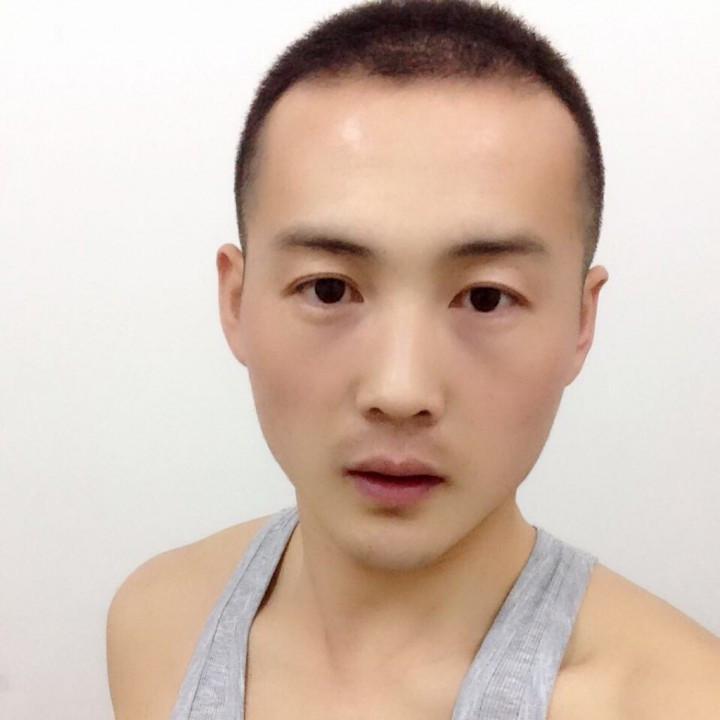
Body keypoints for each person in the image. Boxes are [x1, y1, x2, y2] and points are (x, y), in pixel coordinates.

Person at [106, 1, 720, 718]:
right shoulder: (156, 626)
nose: (400, 391)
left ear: (581, 322)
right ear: (236, 302)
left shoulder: (680, 699)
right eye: (329, 289)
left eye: (486, 298)